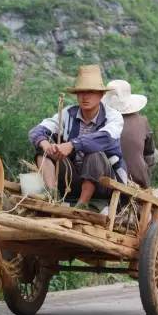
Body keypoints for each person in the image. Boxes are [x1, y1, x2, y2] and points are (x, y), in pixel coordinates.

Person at [28, 64, 127, 209]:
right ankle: (52, 193)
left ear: (101, 95)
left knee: (94, 154)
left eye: (91, 92)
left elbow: (104, 138)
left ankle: (82, 204)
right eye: (81, 92)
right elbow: (36, 131)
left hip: (104, 184)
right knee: (44, 148)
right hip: (72, 180)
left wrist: (72, 145)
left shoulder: (114, 117)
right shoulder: (68, 113)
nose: (85, 97)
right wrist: (46, 145)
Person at [102, 80, 158, 188]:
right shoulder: (142, 121)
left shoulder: (102, 121)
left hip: (106, 177)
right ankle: (145, 184)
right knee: (154, 154)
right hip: (137, 180)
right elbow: (149, 151)